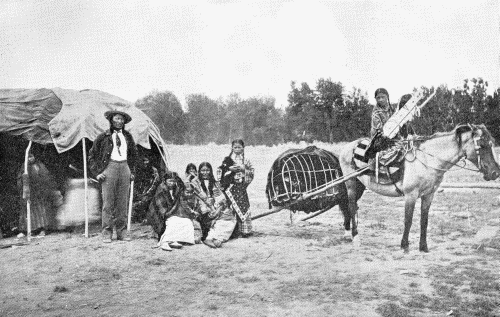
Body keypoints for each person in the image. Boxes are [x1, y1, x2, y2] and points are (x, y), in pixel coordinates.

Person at [88, 109, 138, 243]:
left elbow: (134, 155)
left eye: (122, 119)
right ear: (111, 120)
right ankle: (107, 232)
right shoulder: (103, 137)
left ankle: (121, 232)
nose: (119, 121)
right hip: (109, 168)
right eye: (116, 119)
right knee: (108, 202)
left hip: (124, 167)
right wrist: (97, 173)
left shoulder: (128, 136)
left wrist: (131, 171)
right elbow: (91, 155)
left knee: (122, 203)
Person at [17, 153, 62, 238]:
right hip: (29, 193)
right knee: (30, 212)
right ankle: (32, 230)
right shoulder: (24, 167)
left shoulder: (39, 166)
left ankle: (43, 229)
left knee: (41, 211)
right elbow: (20, 179)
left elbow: (46, 178)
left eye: (32, 156)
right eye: (29, 157)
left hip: (40, 193)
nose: (30, 159)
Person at [218, 139, 254, 238]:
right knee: (231, 208)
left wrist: (243, 169)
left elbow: (252, 172)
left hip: (241, 187)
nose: (237, 149)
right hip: (230, 187)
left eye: (239, 147)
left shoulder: (246, 160)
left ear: (243, 148)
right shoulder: (227, 159)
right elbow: (220, 170)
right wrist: (229, 169)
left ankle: (245, 231)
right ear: (232, 148)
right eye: (235, 147)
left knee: (244, 207)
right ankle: (233, 231)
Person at [157, 182, 201, 251]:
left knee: (187, 224)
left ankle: (177, 240)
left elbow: (197, 208)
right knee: (173, 223)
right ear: (182, 191)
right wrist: (192, 212)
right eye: (187, 192)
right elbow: (186, 207)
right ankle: (165, 241)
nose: (189, 194)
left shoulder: (194, 199)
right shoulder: (181, 198)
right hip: (175, 215)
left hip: (186, 218)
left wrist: (195, 213)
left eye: (191, 192)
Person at [147, 171, 184, 241]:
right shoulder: (161, 188)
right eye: (170, 181)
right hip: (158, 212)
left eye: (173, 181)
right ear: (165, 180)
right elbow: (159, 205)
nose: (172, 183)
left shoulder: (176, 188)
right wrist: (167, 214)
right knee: (163, 228)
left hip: (169, 211)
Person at [132, 155, 161, 223]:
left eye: (147, 162)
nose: (146, 164)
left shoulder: (153, 171)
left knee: (144, 201)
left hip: (149, 193)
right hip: (140, 191)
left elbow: (154, 184)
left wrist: (145, 194)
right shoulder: (137, 170)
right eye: (144, 162)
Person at [194, 162, 218, 240]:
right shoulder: (195, 182)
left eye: (207, 170)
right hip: (200, 204)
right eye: (203, 171)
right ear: (199, 171)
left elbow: (217, 194)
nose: (205, 173)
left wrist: (213, 199)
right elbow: (198, 194)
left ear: (210, 171)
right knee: (204, 211)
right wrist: (207, 201)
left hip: (212, 204)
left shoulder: (214, 182)